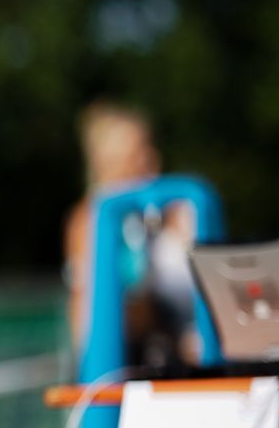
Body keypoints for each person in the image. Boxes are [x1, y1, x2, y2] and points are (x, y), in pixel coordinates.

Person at [62, 100, 197, 366]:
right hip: (125, 356)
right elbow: (86, 312)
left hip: (167, 350)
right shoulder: (92, 219)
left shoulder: (169, 211)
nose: (150, 160)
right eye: (137, 154)